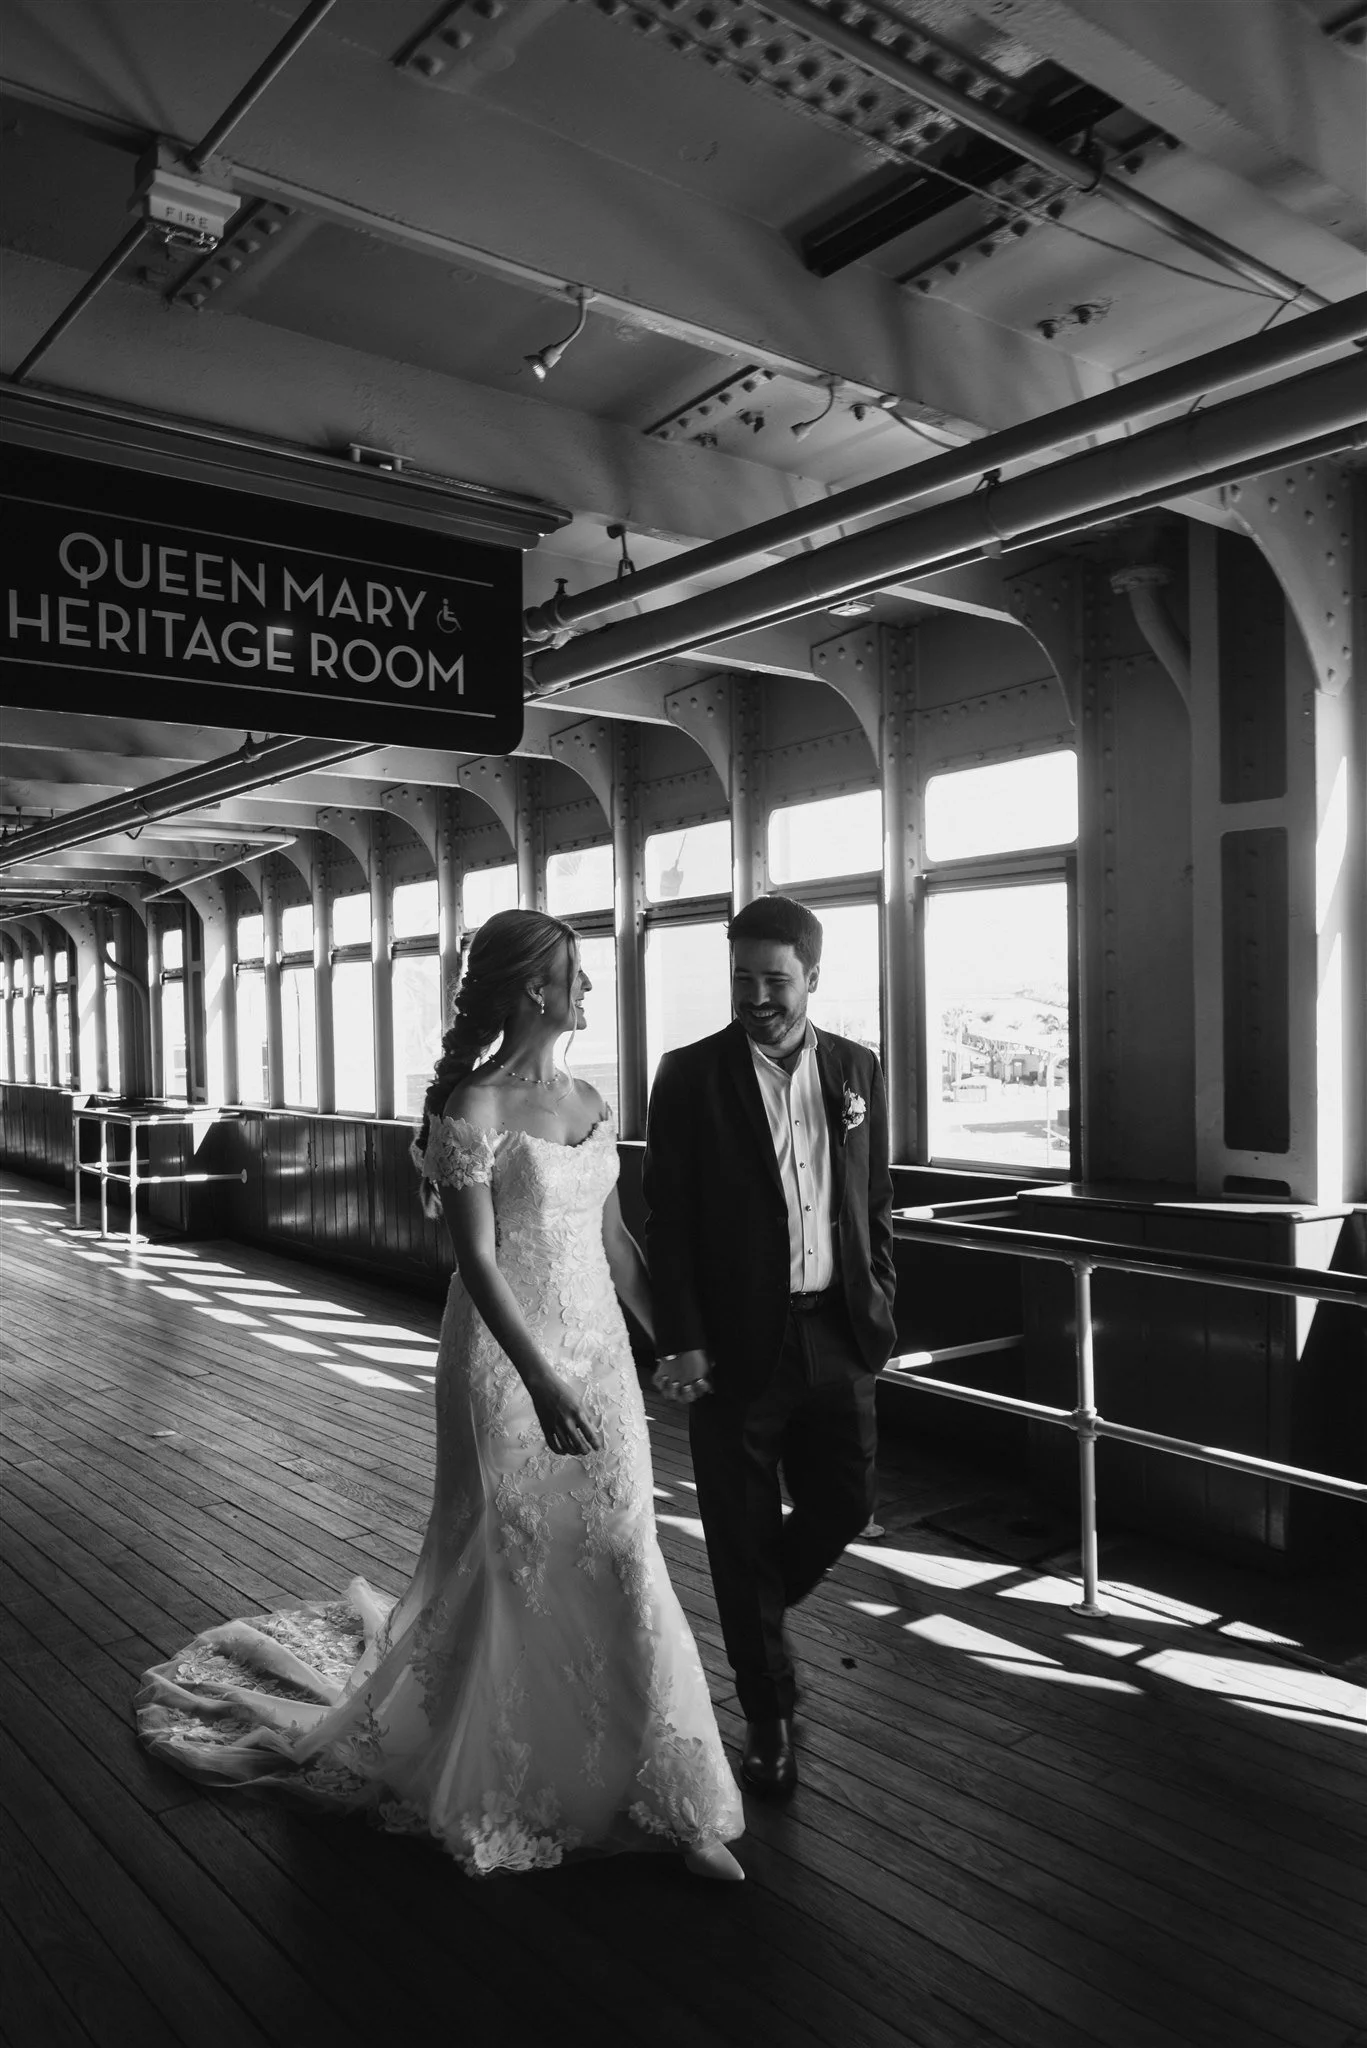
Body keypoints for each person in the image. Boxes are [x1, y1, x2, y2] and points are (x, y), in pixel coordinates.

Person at [137, 909, 744, 1881]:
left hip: (599, 1358)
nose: (590, 987)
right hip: (505, 1362)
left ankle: (671, 1795)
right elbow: (479, 1262)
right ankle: (502, 1773)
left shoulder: (592, 1099)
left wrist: (672, 1341)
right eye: (577, 972)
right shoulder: (474, 1106)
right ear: (536, 989)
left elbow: (617, 1243)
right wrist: (538, 1378)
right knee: (508, 1556)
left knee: (624, 1549)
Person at [643, 894, 896, 1795]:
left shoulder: (857, 1068)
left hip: (839, 1330)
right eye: (742, 978)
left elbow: (873, 1202)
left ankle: (753, 1609)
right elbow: (666, 1222)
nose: (756, 997)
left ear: (812, 977)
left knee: (846, 1503)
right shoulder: (688, 1075)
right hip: (733, 1345)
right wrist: (681, 1340)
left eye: (774, 980)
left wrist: (879, 1301)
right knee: (738, 1526)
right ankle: (767, 1716)